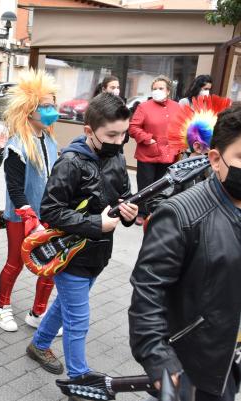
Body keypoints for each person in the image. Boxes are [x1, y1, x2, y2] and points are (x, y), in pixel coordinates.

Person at [129, 106, 241, 401]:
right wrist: (161, 362)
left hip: (230, 357)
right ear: (215, 159)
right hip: (192, 368)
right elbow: (147, 295)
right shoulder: (180, 215)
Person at [26, 93, 138, 379]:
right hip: (69, 254)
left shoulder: (116, 156)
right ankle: (79, 379)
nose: (119, 141)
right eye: (111, 134)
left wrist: (129, 212)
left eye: (124, 134)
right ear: (89, 131)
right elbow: (50, 210)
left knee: (65, 305)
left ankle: (39, 345)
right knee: (78, 320)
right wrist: (94, 224)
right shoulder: (70, 163)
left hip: (98, 254)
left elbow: (122, 195)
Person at [0, 69, 61, 332]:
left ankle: (38, 313)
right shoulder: (17, 145)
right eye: (45, 106)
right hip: (22, 217)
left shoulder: (51, 140)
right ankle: (2, 306)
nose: (51, 110)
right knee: (16, 262)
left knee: (51, 265)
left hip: (50, 215)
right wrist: (29, 214)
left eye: (53, 105)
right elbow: (14, 187)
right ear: (29, 109)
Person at [129, 75, 179, 225]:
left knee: (162, 184)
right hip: (148, 153)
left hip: (168, 153)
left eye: (160, 88)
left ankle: (155, 212)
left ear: (168, 91)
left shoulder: (177, 107)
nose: (157, 91)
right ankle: (142, 211)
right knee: (146, 184)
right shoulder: (144, 106)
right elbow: (133, 127)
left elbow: (182, 127)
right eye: (154, 88)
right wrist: (147, 138)